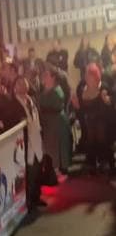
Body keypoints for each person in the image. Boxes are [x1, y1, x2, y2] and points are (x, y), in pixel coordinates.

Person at [12, 77, 43, 211]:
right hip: (24, 143)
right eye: (19, 83)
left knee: (37, 171)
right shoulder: (12, 104)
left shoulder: (32, 100)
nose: (24, 85)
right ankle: (28, 202)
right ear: (15, 88)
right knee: (28, 173)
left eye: (25, 82)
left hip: (36, 138)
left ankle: (37, 197)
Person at [80, 63, 114, 174]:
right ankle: (92, 162)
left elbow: (110, 105)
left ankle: (104, 161)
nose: (87, 79)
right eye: (86, 76)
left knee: (101, 137)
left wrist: (107, 100)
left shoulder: (104, 87)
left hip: (103, 122)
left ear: (96, 76)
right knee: (90, 139)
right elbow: (82, 108)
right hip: (89, 122)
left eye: (90, 76)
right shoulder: (82, 88)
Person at [39, 65, 72, 176]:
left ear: (53, 77)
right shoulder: (43, 89)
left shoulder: (57, 90)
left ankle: (62, 169)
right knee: (50, 146)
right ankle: (53, 168)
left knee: (59, 146)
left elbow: (57, 105)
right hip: (47, 123)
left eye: (46, 75)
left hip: (57, 122)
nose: (44, 76)